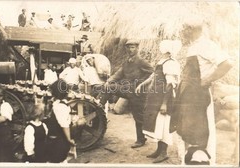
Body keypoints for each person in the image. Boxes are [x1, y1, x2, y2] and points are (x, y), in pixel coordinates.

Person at [169, 19, 233, 165]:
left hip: (197, 99)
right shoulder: (194, 46)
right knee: (186, 134)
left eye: (183, 28)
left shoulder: (206, 45)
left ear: (192, 29)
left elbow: (227, 63)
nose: (181, 32)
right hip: (188, 98)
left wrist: (207, 80)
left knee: (198, 137)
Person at [97, 39, 154, 148]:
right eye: (128, 47)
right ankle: (99, 107)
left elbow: (152, 74)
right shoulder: (127, 62)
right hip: (127, 90)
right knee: (108, 87)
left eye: (133, 47)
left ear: (137, 49)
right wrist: (109, 81)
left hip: (138, 93)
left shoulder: (141, 62)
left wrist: (140, 84)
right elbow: (118, 74)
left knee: (138, 117)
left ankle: (141, 139)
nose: (130, 50)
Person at [135, 40, 181, 163]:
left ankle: (164, 152)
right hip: (155, 97)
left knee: (164, 124)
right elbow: (153, 77)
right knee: (158, 124)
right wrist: (141, 85)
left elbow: (170, 85)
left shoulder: (171, 63)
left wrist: (164, 103)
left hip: (163, 98)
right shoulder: (162, 62)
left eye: (162, 47)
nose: (160, 48)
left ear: (167, 50)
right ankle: (158, 151)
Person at [44, 79, 76, 163]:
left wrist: (69, 139)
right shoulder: (63, 104)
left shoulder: (59, 106)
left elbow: (64, 125)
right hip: (58, 140)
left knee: (56, 160)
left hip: (57, 142)